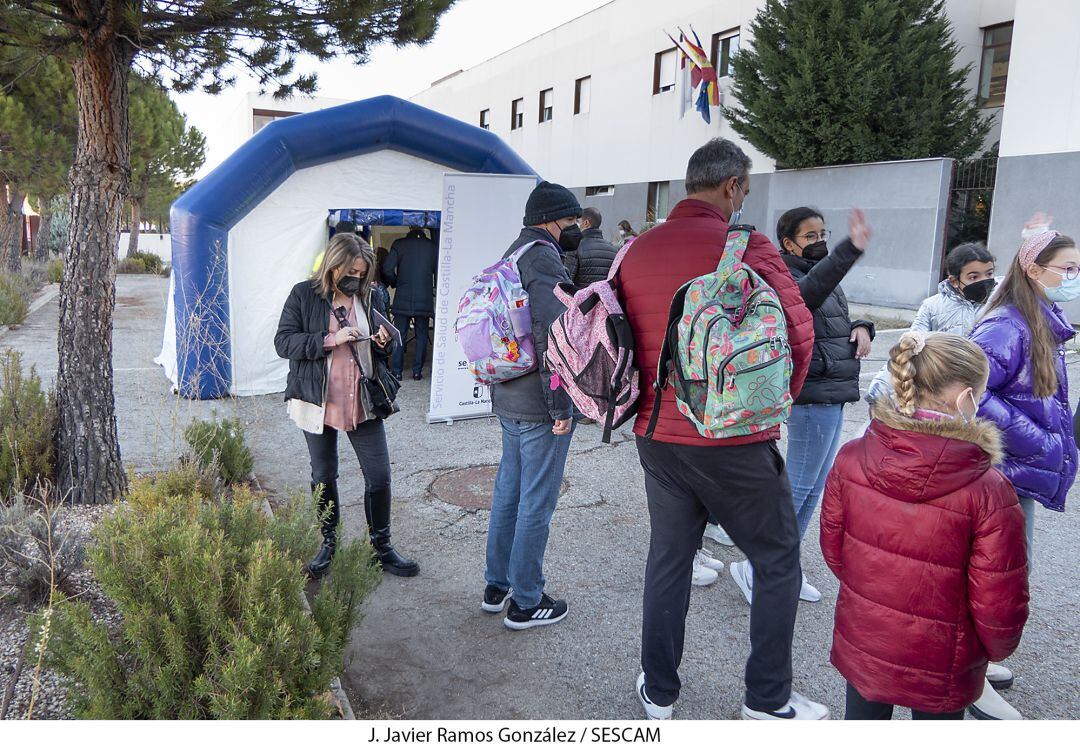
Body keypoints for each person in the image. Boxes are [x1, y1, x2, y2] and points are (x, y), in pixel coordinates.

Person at [617, 138, 823, 720]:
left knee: (670, 557)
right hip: (732, 436)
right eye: (746, 190)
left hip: (655, 433)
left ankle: (659, 691)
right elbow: (797, 332)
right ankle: (767, 700)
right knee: (778, 558)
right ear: (732, 186)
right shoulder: (747, 245)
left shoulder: (636, 250)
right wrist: (776, 400)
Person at [821, 331, 1028, 720]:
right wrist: (996, 648)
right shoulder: (989, 490)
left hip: (867, 634)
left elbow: (834, 548)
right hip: (945, 652)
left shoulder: (851, 457)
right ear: (966, 397)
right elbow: (998, 593)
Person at [728, 206, 874, 605]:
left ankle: (783, 566)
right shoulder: (785, 275)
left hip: (834, 390)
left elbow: (830, 317)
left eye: (823, 233)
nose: (820, 241)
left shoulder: (823, 272)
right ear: (788, 242)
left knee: (813, 487)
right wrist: (849, 250)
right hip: (811, 393)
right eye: (811, 236)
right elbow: (806, 298)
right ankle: (759, 567)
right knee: (797, 487)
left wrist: (863, 326)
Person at [967, 230, 1079, 719]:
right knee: (996, 577)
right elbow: (971, 391)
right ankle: (968, 675)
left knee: (1006, 574)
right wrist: (1037, 439)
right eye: (1067, 269)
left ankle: (976, 660)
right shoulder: (1006, 325)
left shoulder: (1039, 320)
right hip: (1001, 472)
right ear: (1035, 271)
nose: (1073, 279)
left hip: (1017, 474)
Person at [274, 233, 418, 578]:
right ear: (333, 264)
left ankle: (381, 548)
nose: (357, 277)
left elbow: (377, 350)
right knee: (323, 474)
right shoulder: (304, 294)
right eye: (351, 270)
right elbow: (283, 342)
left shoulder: (369, 296)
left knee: (379, 476)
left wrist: (383, 342)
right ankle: (328, 543)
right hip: (317, 399)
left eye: (363, 272)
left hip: (362, 398)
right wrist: (329, 339)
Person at [482, 181, 581, 631]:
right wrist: (562, 403)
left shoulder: (513, 253)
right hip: (539, 401)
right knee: (536, 500)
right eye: (572, 220)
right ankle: (526, 600)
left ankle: (496, 585)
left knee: (509, 490)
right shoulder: (542, 256)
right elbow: (552, 333)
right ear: (551, 220)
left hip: (510, 392)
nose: (576, 227)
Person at [866, 242, 996, 403]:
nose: (984, 281)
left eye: (989, 274)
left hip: (986, 387)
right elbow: (912, 345)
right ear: (954, 281)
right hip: (944, 389)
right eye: (974, 277)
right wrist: (882, 388)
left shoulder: (1000, 301)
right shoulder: (932, 306)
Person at [382, 226, 437, 381]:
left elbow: (387, 269)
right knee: (421, 336)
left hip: (402, 297)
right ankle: (417, 372)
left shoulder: (399, 244)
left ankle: (397, 371)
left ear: (410, 228)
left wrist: (396, 283)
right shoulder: (433, 247)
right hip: (424, 298)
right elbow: (439, 272)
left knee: (400, 335)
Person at [564, 207, 618, 287]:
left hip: (581, 298)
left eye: (578, 221)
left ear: (586, 223)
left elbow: (566, 281)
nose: (575, 224)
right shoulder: (614, 249)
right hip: (605, 298)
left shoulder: (575, 247)